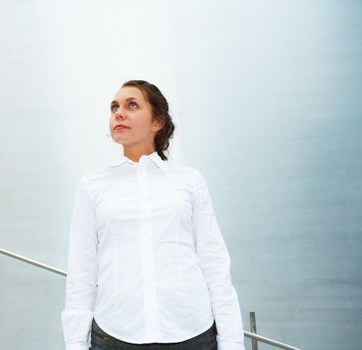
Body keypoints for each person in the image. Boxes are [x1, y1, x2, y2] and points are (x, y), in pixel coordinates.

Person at [61, 80, 245, 350]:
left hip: (192, 334)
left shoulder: (189, 181)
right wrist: (75, 343)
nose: (118, 113)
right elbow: (81, 271)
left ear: (157, 122)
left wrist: (231, 341)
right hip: (115, 336)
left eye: (131, 105)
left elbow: (214, 263)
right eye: (114, 107)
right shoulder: (92, 186)